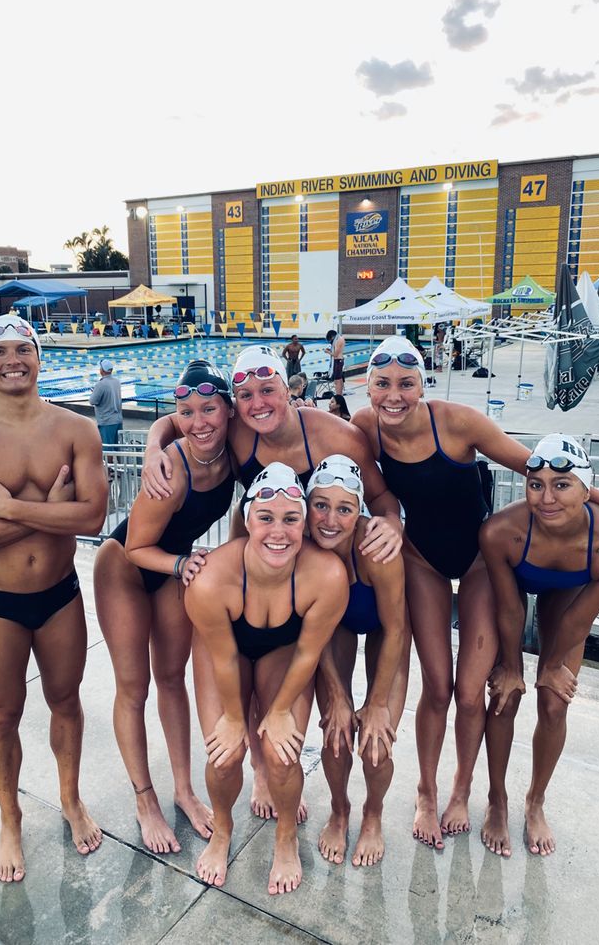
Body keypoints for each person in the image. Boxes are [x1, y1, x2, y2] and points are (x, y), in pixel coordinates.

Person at [352, 336, 599, 849]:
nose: (394, 396)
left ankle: (463, 788)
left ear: (422, 385)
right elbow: (324, 455)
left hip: (478, 558)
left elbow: (540, 469)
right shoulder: (365, 427)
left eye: (406, 384)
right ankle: (426, 792)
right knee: (437, 685)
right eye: (382, 385)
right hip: (421, 559)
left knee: (472, 690)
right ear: (367, 388)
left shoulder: (459, 423)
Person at [141, 344, 403, 820]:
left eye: (268, 391)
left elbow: (382, 498)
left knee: (310, 692)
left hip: (324, 574)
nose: (257, 403)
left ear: (290, 390)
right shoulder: (240, 430)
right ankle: (264, 774)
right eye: (245, 395)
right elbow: (182, 420)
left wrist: (394, 527)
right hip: (264, 564)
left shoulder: (335, 436)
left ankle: (352, 810)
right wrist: (153, 447)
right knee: (264, 685)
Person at [0, 314, 108, 883]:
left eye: (24, 349)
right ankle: (9, 821)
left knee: (66, 702)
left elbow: (94, 516)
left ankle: (70, 799)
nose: (14, 359)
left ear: (39, 357)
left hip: (60, 596)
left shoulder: (76, 430)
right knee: (3, 713)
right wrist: (51, 516)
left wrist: (8, 509)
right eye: (0, 351)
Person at [92, 361, 236, 854]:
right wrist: (180, 565)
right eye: (187, 412)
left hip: (173, 564)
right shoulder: (172, 471)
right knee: (135, 687)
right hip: (127, 566)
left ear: (228, 410)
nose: (198, 422)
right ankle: (145, 798)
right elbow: (134, 546)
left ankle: (183, 789)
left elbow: (167, 424)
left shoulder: (234, 452)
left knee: (173, 679)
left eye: (209, 409)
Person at [185, 464, 349, 893]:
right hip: (224, 652)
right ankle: (222, 831)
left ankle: (286, 838)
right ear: (246, 519)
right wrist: (236, 720)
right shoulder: (209, 581)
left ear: (304, 523)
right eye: (266, 518)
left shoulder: (327, 575)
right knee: (223, 754)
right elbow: (222, 659)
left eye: (291, 519)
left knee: (281, 754)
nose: (279, 532)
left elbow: (310, 651)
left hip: (283, 650)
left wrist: (277, 711)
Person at [479, 434, 599, 857]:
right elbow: (509, 609)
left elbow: (581, 618)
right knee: (504, 696)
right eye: (535, 484)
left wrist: (553, 665)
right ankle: (497, 800)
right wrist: (509, 665)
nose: (546, 498)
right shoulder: (501, 531)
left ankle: (535, 800)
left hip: (571, 590)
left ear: (586, 489)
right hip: (517, 577)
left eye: (561, 485)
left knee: (555, 701)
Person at [306, 457, 407, 867]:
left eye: (344, 509)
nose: (330, 520)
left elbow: (397, 629)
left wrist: (378, 703)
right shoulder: (305, 548)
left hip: (387, 630)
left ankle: (373, 813)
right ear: (308, 504)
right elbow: (316, 633)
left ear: (359, 511)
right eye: (321, 506)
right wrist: (338, 696)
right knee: (336, 731)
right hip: (335, 629)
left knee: (376, 746)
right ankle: (339, 808)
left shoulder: (374, 548)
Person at [89, 358, 123, 446]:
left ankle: (109, 461)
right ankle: (120, 460)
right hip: (118, 419)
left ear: (102, 370)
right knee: (118, 447)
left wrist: (94, 392)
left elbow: (92, 401)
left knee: (108, 447)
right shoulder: (117, 382)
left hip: (107, 421)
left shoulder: (101, 384)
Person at [325, 329, 345, 396]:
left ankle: (338, 395)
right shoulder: (340, 338)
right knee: (340, 378)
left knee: (337, 380)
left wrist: (328, 352)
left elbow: (335, 354)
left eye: (330, 340)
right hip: (340, 360)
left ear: (332, 337)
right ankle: (341, 394)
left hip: (338, 361)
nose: (331, 341)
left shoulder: (338, 341)